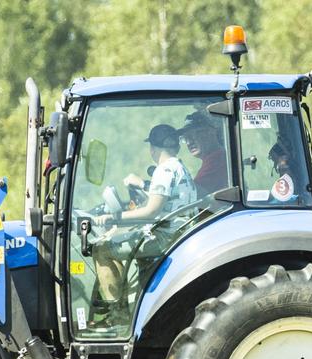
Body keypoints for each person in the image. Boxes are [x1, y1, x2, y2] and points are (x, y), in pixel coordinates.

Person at [91, 124, 197, 327]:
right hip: (177, 233)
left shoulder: (164, 169)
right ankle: (130, 307)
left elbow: (152, 211)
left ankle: (118, 317)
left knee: (102, 248)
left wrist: (114, 218)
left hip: (164, 237)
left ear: (153, 149)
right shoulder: (181, 168)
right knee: (122, 244)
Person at [178, 111, 228, 198]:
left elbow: (194, 196)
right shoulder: (217, 157)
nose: (189, 142)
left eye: (193, 135)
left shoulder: (217, 160)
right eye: (186, 138)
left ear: (211, 132)